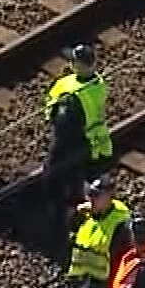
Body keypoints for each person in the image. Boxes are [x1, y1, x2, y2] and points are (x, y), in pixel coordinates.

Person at [43, 44, 111, 211]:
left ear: (79, 64)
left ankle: (60, 207)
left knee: (57, 171)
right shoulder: (97, 83)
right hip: (87, 139)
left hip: (75, 139)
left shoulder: (77, 94)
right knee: (75, 173)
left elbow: (64, 121)